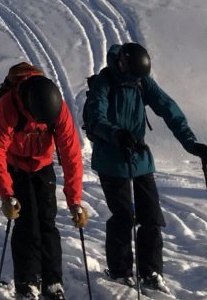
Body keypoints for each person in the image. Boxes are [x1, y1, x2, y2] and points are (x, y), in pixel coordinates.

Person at [83, 42, 207, 293]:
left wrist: (191, 143)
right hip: (111, 157)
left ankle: (151, 272)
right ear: (121, 65)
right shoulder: (104, 82)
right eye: (132, 76)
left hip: (139, 156)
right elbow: (96, 118)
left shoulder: (141, 81)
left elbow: (169, 109)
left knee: (151, 216)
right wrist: (117, 135)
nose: (135, 80)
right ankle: (120, 272)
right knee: (123, 217)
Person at [0, 61, 87, 300]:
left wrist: (75, 201)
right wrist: (7, 195)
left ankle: (53, 282)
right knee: (26, 224)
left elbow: (71, 154)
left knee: (47, 224)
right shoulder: (8, 107)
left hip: (43, 166)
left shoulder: (57, 109)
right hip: (16, 166)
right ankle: (26, 282)